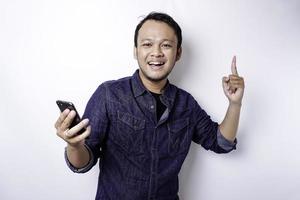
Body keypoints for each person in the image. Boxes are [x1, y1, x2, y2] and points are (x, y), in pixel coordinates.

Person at [54, 12, 245, 200]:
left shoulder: (186, 104)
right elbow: (82, 163)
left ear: (178, 53)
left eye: (166, 45)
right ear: (136, 50)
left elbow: (221, 142)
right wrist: (74, 145)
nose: (156, 52)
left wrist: (235, 104)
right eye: (147, 44)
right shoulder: (109, 95)